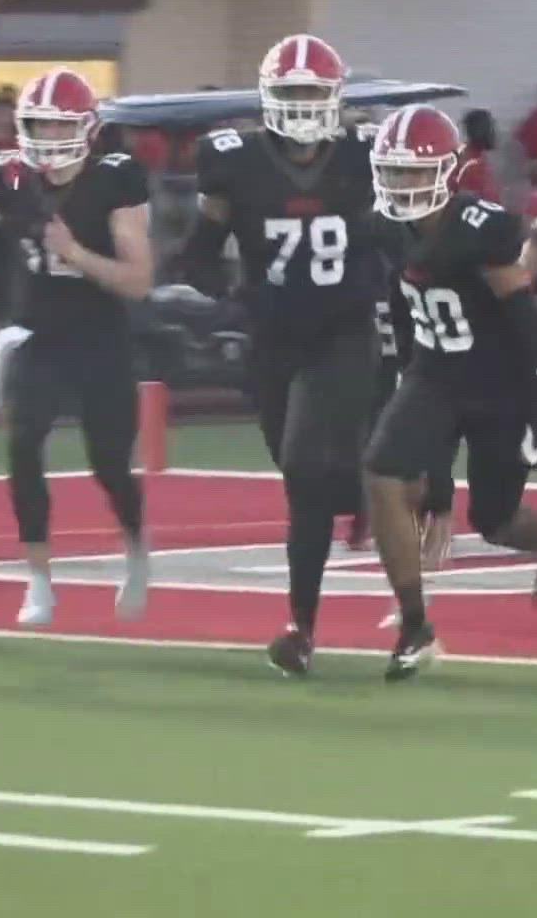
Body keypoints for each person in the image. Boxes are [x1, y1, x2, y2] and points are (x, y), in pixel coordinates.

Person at [178, 34, 384, 676]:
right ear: (269, 97)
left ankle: (300, 626)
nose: (300, 106)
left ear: (335, 99)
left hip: (344, 332)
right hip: (274, 340)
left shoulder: (364, 156)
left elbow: (404, 235)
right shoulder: (232, 159)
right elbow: (199, 251)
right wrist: (230, 300)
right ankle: (370, 497)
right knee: (305, 481)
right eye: (290, 93)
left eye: (311, 93)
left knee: (302, 463)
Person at [363, 104, 537, 679]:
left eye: (413, 171)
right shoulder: (384, 224)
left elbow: (528, 330)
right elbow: (401, 298)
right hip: (433, 375)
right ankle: (415, 624)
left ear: (447, 170)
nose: (402, 183)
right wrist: (403, 370)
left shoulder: (481, 227)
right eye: (394, 170)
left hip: (497, 387)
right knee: (382, 472)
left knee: (495, 520)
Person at [0, 67, 155, 626]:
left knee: (109, 465)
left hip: (100, 336)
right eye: (38, 127)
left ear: (87, 129)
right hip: (40, 335)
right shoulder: (9, 179)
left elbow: (138, 281)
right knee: (23, 444)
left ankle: (136, 546)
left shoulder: (115, 181)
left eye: (59, 128)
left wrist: (76, 254)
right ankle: (39, 580)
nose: (48, 140)